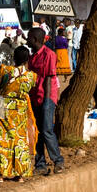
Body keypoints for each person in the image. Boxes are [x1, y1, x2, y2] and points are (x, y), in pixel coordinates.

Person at [0, 46, 36, 182]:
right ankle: (20, 174)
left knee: (2, 137)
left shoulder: (4, 70)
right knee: (19, 138)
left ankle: (0, 174)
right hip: (21, 109)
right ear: (27, 59)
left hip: (4, 105)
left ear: (13, 57)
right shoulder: (31, 76)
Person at [27, 27, 63, 174]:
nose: (27, 40)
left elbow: (48, 78)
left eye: (29, 38)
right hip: (35, 97)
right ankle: (40, 164)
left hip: (47, 96)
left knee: (47, 129)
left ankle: (58, 160)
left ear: (35, 39)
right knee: (37, 132)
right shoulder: (32, 56)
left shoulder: (49, 55)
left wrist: (47, 102)